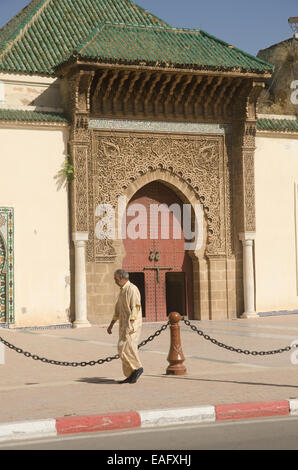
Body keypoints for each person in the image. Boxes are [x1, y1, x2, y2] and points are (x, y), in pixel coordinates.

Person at [107, 269, 143, 384]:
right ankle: (132, 372)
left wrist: (131, 323)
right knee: (122, 348)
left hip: (132, 325)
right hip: (124, 325)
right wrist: (111, 324)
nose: (115, 281)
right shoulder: (122, 291)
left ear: (122, 278)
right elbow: (118, 309)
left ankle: (138, 368)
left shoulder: (132, 289)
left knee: (127, 347)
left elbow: (136, 307)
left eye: (116, 279)